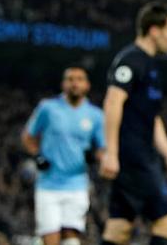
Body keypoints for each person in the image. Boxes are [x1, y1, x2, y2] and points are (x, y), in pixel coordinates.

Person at [99, 2, 167, 245]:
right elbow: (112, 102)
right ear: (154, 30)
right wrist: (111, 152)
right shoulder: (131, 61)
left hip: (139, 154)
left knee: (119, 228)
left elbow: (151, 117)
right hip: (134, 156)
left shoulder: (149, 65)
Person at [22, 67, 106, 245]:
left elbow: (103, 147)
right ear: (63, 84)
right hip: (48, 184)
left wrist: (96, 157)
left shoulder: (95, 115)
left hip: (77, 184)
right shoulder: (48, 108)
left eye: (79, 79)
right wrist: (37, 156)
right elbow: (28, 137)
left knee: (72, 237)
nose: (75, 83)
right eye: (70, 79)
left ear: (87, 85)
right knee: (50, 236)